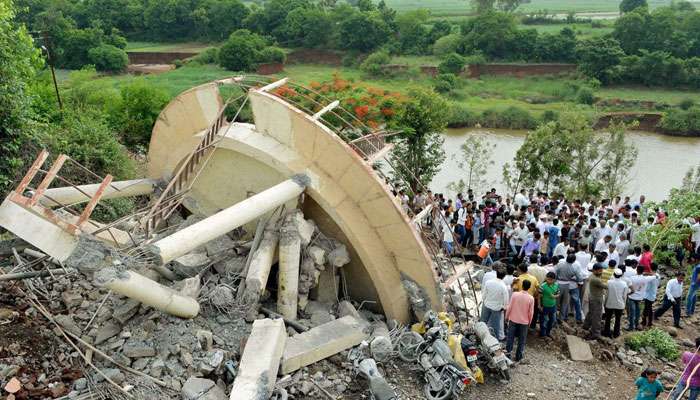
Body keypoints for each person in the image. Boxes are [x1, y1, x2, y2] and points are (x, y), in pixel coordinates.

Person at [505, 279, 534, 362]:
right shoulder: (531, 298)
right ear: (529, 288)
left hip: (513, 319)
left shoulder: (515, 295)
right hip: (524, 322)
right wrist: (529, 322)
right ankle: (518, 356)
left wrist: (506, 317)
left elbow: (509, 307)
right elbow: (531, 312)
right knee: (522, 340)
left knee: (510, 338)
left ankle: (508, 355)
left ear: (522, 286)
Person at [555, 253, 585, 324]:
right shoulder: (574, 267)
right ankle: (563, 318)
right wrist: (574, 279)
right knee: (566, 303)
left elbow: (555, 273)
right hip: (568, 285)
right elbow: (580, 278)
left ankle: (554, 318)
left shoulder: (560, 263)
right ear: (573, 260)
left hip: (558, 284)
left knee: (556, 302)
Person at [481, 268, 509, 341]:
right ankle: (495, 341)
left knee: (483, 322)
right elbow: (506, 300)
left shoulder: (488, 282)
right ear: (504, 276)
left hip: (486, 305)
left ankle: (480, 336)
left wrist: (484, 300)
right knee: (495, 326)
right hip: (496, 308)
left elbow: (484, 295)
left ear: (496, 274)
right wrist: (504, 307)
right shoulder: (503, 286)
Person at [603, 268, 629, 338]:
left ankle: (606, 333)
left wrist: (605, 303)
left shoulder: (609, 282)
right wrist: (624, 305)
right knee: (618, 319)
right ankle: (616, 334)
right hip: (620, 305)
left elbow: (606, 294)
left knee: (608, 318)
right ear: (621, 275)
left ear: (613, 274)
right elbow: (624, 296)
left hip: (609, 303)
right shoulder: (624, 284)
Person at [583, 263, 607, 340]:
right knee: (597, 316)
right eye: (600, 271)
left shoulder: (592, 276)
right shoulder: (595, 279)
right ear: (594, 270)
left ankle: (586, 326)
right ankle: (595, 333)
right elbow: (606, 286)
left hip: (593, 297)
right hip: (597, 299)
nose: (601, 272)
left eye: (601, 271)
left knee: (591, 313)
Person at [538, 272, 559, 338]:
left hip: (553, 306)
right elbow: (539, 296)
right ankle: (543, 334)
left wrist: (554, 296)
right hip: (545, 306)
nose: (548, 281)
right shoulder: (543, 286)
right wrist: (539, 305)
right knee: (544, 320)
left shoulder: (556, 285)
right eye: (547, 279)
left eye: (550, 279)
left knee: (552, 320)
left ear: (554, 280)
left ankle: (548, 332)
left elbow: (558, 293)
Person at [641, 263, 660, 328]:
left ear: (650, 268)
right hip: (653, 293)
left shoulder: (650, 278)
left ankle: (646, 322)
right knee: (649, 308)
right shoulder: (658, 275)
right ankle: (648, 322)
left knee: (647, 309)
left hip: (648, 295)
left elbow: (647, 288)